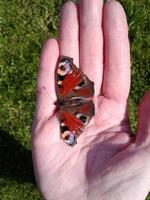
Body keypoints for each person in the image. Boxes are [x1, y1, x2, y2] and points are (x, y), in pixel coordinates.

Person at [32, 0, 150, 199]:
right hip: (79, 94)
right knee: (66, 80)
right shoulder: (65, 100)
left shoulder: (65, 116)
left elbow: (69, 133)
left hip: (77, 109)